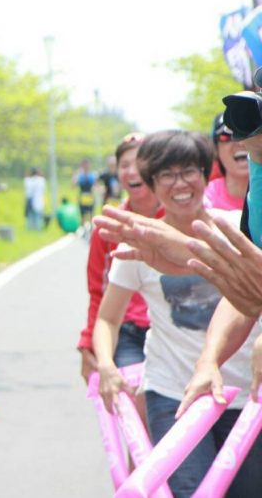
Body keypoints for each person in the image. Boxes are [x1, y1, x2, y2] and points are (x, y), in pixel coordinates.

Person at [92, 130, 262, 497]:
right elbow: (107, 318)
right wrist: (105, 364)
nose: (180, 183)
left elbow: (247, 295)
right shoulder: (139, 242)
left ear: (205, 175)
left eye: (189, 171)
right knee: (192, 491)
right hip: (174, 394)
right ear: (152, 184)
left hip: (244, 394)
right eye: (166, 175)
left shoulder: (237, 228)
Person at [76, 133, 158, 385]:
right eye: (125, 165)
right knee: (131, 399)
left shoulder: (180, 217)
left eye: (140, 164)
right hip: (128, 331)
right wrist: (89, 341)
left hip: (175, 330)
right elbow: (97, 290)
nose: (132, 172)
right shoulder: (109, 225)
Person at [204, 112, 248, 212]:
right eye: (228, 137)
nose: (240, 142)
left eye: (248, 134)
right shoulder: (203, 198)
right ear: (215, 150)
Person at [73, 157, 97, 234]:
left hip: (90, 196)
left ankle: (91, 229)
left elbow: (95, 185)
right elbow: (73, 185)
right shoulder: (80, 175)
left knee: (91, 213)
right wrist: (75, 176)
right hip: (82, 196)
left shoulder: (92, 175)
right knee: (82, 214)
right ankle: (83, 228)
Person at [23, 166, 47, 230]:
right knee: (38, 216)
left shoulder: (29, 180)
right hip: (39, 200)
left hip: (31, 200)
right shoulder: (41, 180)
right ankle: (38, 228)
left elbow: (28, 187)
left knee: (30, 216)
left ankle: (30, 228)